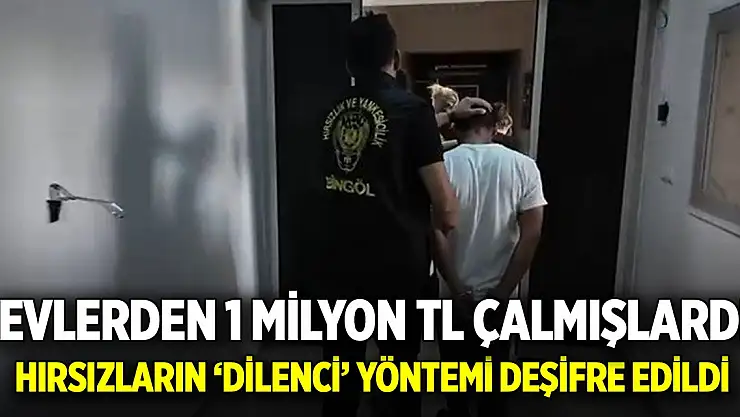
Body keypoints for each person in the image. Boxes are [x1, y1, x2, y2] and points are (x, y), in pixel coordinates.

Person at [315, 12, 465, 417]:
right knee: (397, 375)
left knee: (340, 374)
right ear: (393, 59)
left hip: (337, 266)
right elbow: (447, 209)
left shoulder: (326, 111)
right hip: (398, 271)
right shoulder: (413, 110)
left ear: (349, 62)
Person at [433, 105, 547, 417]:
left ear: (455, 129)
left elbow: (435, 231)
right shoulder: (523, 166)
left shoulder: (441, 167)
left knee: (455, 372)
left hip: (453, 292)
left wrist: (458, 289)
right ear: (494, 128)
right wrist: (501, 293)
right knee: (495, 374)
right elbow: (531, 234)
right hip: (502, 293)